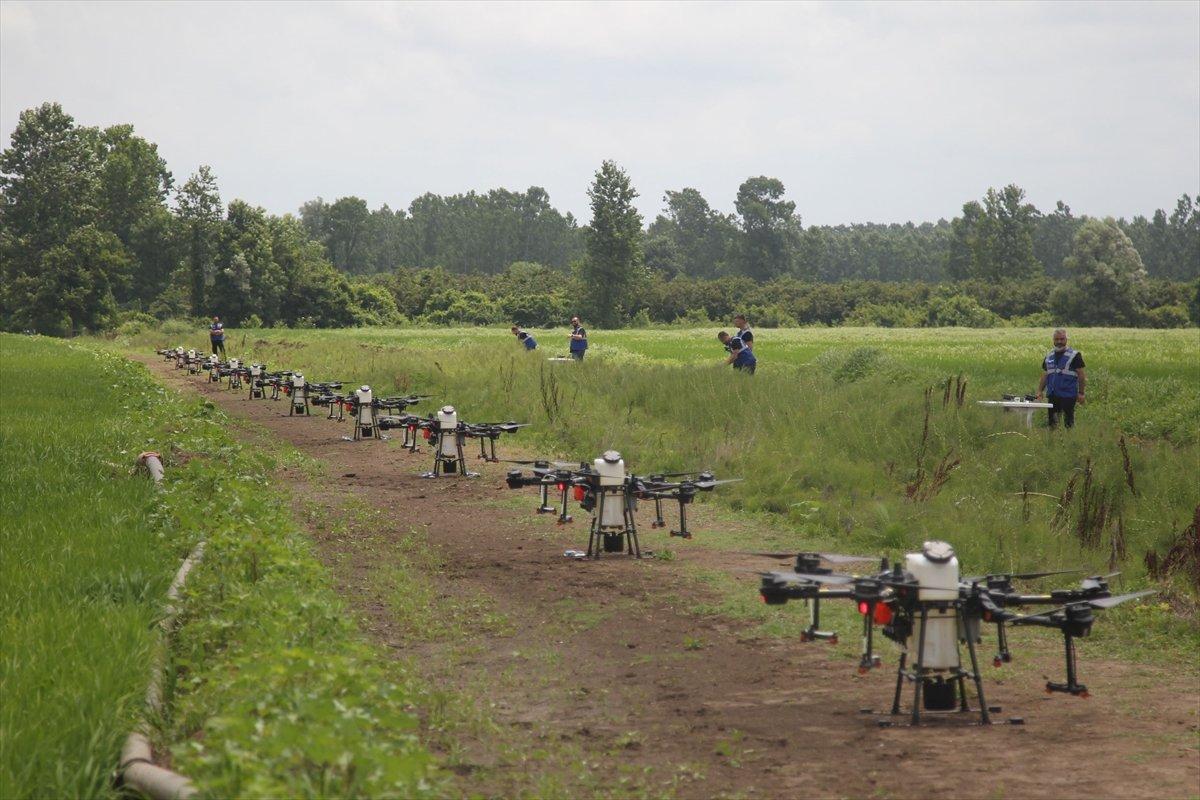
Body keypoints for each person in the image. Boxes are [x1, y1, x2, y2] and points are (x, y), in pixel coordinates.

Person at [1036, 328, 1086, 428]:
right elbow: (1045, 374)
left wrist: (1081, 393)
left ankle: (1069, 441)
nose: (1059, 342)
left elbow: (1081, 375)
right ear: (1053, 340)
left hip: (1068, 395)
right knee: (1053, 424)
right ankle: (1053, 442)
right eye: (1057, 339)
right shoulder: (1049, 356)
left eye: (1062, 339)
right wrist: (1039, 391)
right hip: (1053, 395)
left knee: (1068, 424)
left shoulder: (1074, 355)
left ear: (1066, 340)